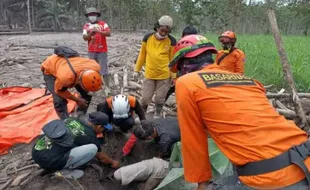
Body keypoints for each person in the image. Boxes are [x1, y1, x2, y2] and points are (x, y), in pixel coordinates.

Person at [169, 34, 310, 189]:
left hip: (271, 176)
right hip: (304, 157)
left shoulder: (187, 83)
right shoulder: (250, 81)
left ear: (184, 64)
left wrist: (201, 183)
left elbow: (193, 140)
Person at [32, 112, 120, 173]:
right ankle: (67, 168)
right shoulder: (91, 137)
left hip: (36, 151)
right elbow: (102, 158)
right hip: (51, 163)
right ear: (99, 126)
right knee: (93, 148)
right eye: (104, 129)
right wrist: (112, 162)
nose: (103, 131)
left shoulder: (71, 119)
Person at [133, 15, 177, 118]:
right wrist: (137, 70)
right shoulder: (148, 38)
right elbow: (142, 55)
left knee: (159, 98)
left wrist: (174, 77)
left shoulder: (172, 41)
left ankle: (157, 114)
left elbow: (172, 60)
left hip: (164, 75)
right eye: (162, 30)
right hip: (150, 74)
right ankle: (142, 116)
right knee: (145, 98)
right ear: (157, 27)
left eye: (167, 31)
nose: (163, 33)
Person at [41, 52, 102, 120]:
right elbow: (59, 91)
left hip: (70, 66)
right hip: (50, 68)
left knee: (86, 93)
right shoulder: (66, 78)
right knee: (59, 100)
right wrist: (77, 100)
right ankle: (66, 120)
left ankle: (80, 114)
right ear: (79, 81)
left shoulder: (96, 67)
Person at [165, 25, 198, 102]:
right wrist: (173, 77)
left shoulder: (200, 49)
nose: (187, 39)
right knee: (168, 91)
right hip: (180, 75)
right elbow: (173, 62)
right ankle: (159, 108)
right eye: (186, 36)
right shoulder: (179, 47)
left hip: (193, 77)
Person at [83, 7, 111, 94]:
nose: (92, 16)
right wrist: (91, 33)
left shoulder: (103, 24)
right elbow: (84, 38)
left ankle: (107, 88)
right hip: (91, 51)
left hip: (102, 50)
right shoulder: (86, 26)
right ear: (88, 16)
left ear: (97, 15)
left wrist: (98, 31)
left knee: (104, 70)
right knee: (92, 70)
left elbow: (109, 33)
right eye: (90, 15)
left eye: (93, 15)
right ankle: (93, 87)